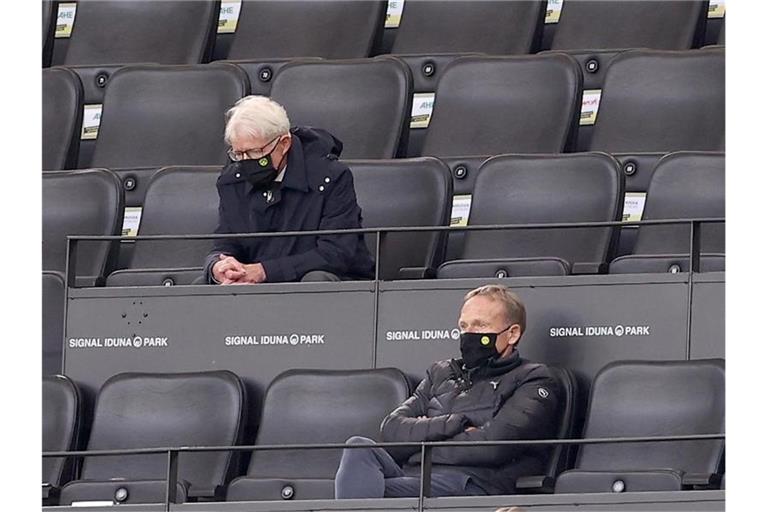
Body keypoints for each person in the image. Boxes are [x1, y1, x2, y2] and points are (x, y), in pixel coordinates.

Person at [334, 285, 563, 498]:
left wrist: (420, 442)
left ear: (512, 334)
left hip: (473, 484)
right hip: (415, 477)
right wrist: (458, 423)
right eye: (464, 326)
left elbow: (492, 447)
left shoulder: (535, 379)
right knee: (359, 447)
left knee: (365, 495)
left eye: (480, 326)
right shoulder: (441, 373)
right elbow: (392, 432)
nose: (469, 334)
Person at [203, 95, 374, 284]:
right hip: (253, 287)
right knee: (202, 285)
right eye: (239, 154)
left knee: (316, 280)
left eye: (255, 152)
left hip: (315, 283)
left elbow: (335, 253)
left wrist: (265, 272)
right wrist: (219, 266)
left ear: (284, 144)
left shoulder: (330, 177)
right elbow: (226, 242)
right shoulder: (232, 180)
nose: (246, 162)